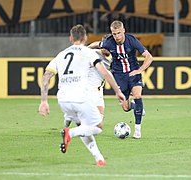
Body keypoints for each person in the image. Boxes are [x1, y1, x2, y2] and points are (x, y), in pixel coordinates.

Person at [38, 24, 125, 166]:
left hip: (63, 100)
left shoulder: (61, 55)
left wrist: (43, 101)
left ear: (70, 38)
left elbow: (46, 76)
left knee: (84, 128)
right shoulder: (88, 53)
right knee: (97, 127)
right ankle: (69, 133)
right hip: (81, 97)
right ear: (85, 38)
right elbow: (105, 72)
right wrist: (118, 91)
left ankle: (99, 158)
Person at [88, 20, 153, 139]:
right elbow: (97, 44)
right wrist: (84, 49)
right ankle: (135, 106)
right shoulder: (108, 42)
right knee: (125, 108)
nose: (117, 36)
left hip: (133, 72)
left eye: (118, 33)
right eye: (114, 34)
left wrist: (139, 70)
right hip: (119, 76)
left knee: (137, 95)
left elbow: (149, 57)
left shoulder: (131, 40)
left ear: (123, 30)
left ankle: (137, 130)